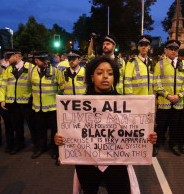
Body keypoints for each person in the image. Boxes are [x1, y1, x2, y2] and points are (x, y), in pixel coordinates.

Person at [55, 56, 157, 194]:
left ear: (114, 78)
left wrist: (147, 137)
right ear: (91, 77)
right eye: (99, 73)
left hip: (116, 163)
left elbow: (135, 130)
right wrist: (60, 138)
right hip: (87, 163)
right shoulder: (77, 104)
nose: (105, 77)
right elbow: (71, 130)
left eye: (110, 73)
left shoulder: (126, 103)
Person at [153, 40, 184, 156]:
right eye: (170, 49)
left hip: (178, 103)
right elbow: (156, 83)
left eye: (175, 49)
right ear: (166, 50)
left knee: (175, 127)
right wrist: (167, 95)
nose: (173, 51)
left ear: (178, 51)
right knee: (160, 126)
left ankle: (173, 144)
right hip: (164, 102)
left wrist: (179, 95)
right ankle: (156, 145)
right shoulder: (159, 64)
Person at [0, 49, 35, 155]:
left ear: (16, 56)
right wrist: (2, 99)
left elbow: (35, 84)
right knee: (17, 126)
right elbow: (3, 85)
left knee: (32, 125)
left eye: (8, 57)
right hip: (13, 103)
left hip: (27, 102)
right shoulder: (8, 69)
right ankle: (20, 144)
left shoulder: (30, 67)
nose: (6, 60)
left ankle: (37, 145)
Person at [30, 51, 59, 159]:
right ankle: (41, 148)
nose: (45, 62)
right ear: (36, 61)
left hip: (53, 107)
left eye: (46, 59)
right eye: (42, 60)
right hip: (38, 107)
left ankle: (55, 150)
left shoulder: (54, 71)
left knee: (54, 131)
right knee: (40, 130)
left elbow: (60, 86)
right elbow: (29, 86)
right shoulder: (32, 71)